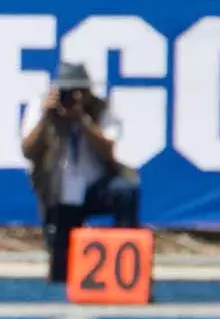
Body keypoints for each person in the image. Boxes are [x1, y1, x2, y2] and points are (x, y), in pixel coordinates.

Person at [20, 62, 140, 283]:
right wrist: (47, 117)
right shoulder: (41, 108)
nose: (72, 97)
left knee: (126, 190)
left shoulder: (102, 110)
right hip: (59, 192)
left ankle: (125, 263)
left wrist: (83, 120)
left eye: (78, 92)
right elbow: (28, 150)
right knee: (60, 275)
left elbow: (108, 151)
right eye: (66, 91)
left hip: (96, 186)